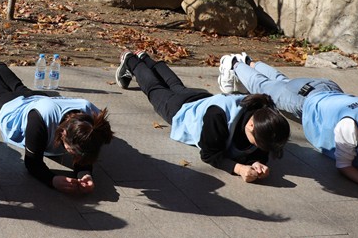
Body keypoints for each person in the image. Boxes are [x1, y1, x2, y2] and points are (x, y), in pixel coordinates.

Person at [218, 53, 358, 202]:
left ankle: (250, 62)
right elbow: (344, 167)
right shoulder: (350, 128)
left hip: (329, 90)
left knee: (281, 82)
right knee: (265, 89)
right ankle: (234, 63)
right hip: (303, 98)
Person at [116, 51, 289, 183]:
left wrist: (257, 162)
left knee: (174, 85)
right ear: (251, 125)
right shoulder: (219, 117)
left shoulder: (263, 114)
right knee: (154, 88)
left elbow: (261, 148)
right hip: (181, 110)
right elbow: (209, 154)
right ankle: (130, 59)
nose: (260, 148)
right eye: (258, 143)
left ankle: (145, 57)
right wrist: (238, 168)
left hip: (202, 99)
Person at [0, 51, 112, 194]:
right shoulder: (40, 121)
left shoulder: (91, 116)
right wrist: (52, 180)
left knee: (18, 86)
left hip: (40, 99)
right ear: (64, 132)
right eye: (72, 151)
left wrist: (85, 173)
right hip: (11, 108)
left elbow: (86, 147)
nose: (72, 154)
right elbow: (32, 163)